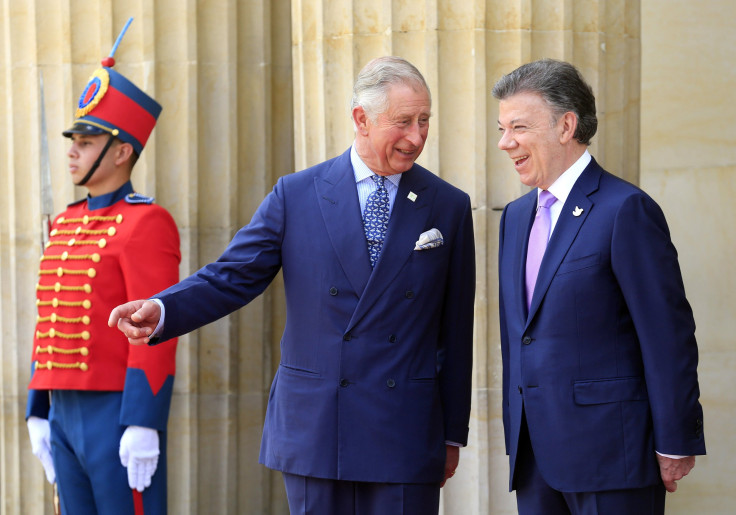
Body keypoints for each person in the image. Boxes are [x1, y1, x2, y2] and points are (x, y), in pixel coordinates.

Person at [109, 56, 475, 515]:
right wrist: (163, 309)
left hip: (405, 429)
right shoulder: (296, 194)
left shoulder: (448, 206)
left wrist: (451, 433)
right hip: (317, 428)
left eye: (425, 121)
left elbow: (455, 333)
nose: (417, 137)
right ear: (361, 119)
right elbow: (231, 276)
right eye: (403, 122)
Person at [493, 58, 705, 514]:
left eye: (518, 127)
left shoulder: (625, 209)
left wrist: (675, 439)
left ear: (566, 125)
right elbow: (522, 336)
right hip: (534, 457)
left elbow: (667, 334)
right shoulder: (514, 218)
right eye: (501, 128)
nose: (504, 142)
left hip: (613, 454)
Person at [26, 41, 180, 514]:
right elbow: (49, 316)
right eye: (74, 142)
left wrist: (143, 419)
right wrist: (38, 407)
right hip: (63, 407)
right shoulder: (68, 222)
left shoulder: (146, 222)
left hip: (114, 410)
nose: (73, 153)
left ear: (121, 152)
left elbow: (154, 329)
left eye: (86, 143)